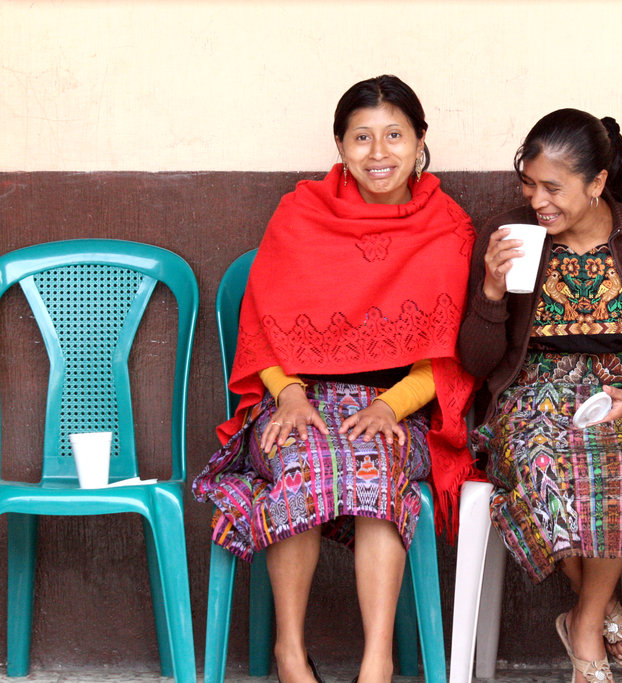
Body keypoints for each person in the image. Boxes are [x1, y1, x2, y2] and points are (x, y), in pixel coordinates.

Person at [192, 75, 476, 683]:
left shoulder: (448, 226)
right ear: (340, 147)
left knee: (374, 465)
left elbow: (448, 354)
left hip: (394, 407)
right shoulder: (301, 212)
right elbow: (261, 323)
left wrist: (394, 407)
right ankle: (290, 653)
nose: (380, 153)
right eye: (362, 138)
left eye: (395, 135)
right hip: (299, 400)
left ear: (421, 141)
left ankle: (377, 663)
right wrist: (289, 393)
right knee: (302, 459)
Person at [458, 109, 622, 683]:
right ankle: (605, 614)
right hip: (529, 394)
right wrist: (491, 292)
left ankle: (585, 622)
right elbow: (474, 362)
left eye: (552, 187)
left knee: (621, 461)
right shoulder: (506, 233)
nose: (536, 200)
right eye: (528, 183)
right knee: (546, 462)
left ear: (596, 184)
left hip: (621, 394)